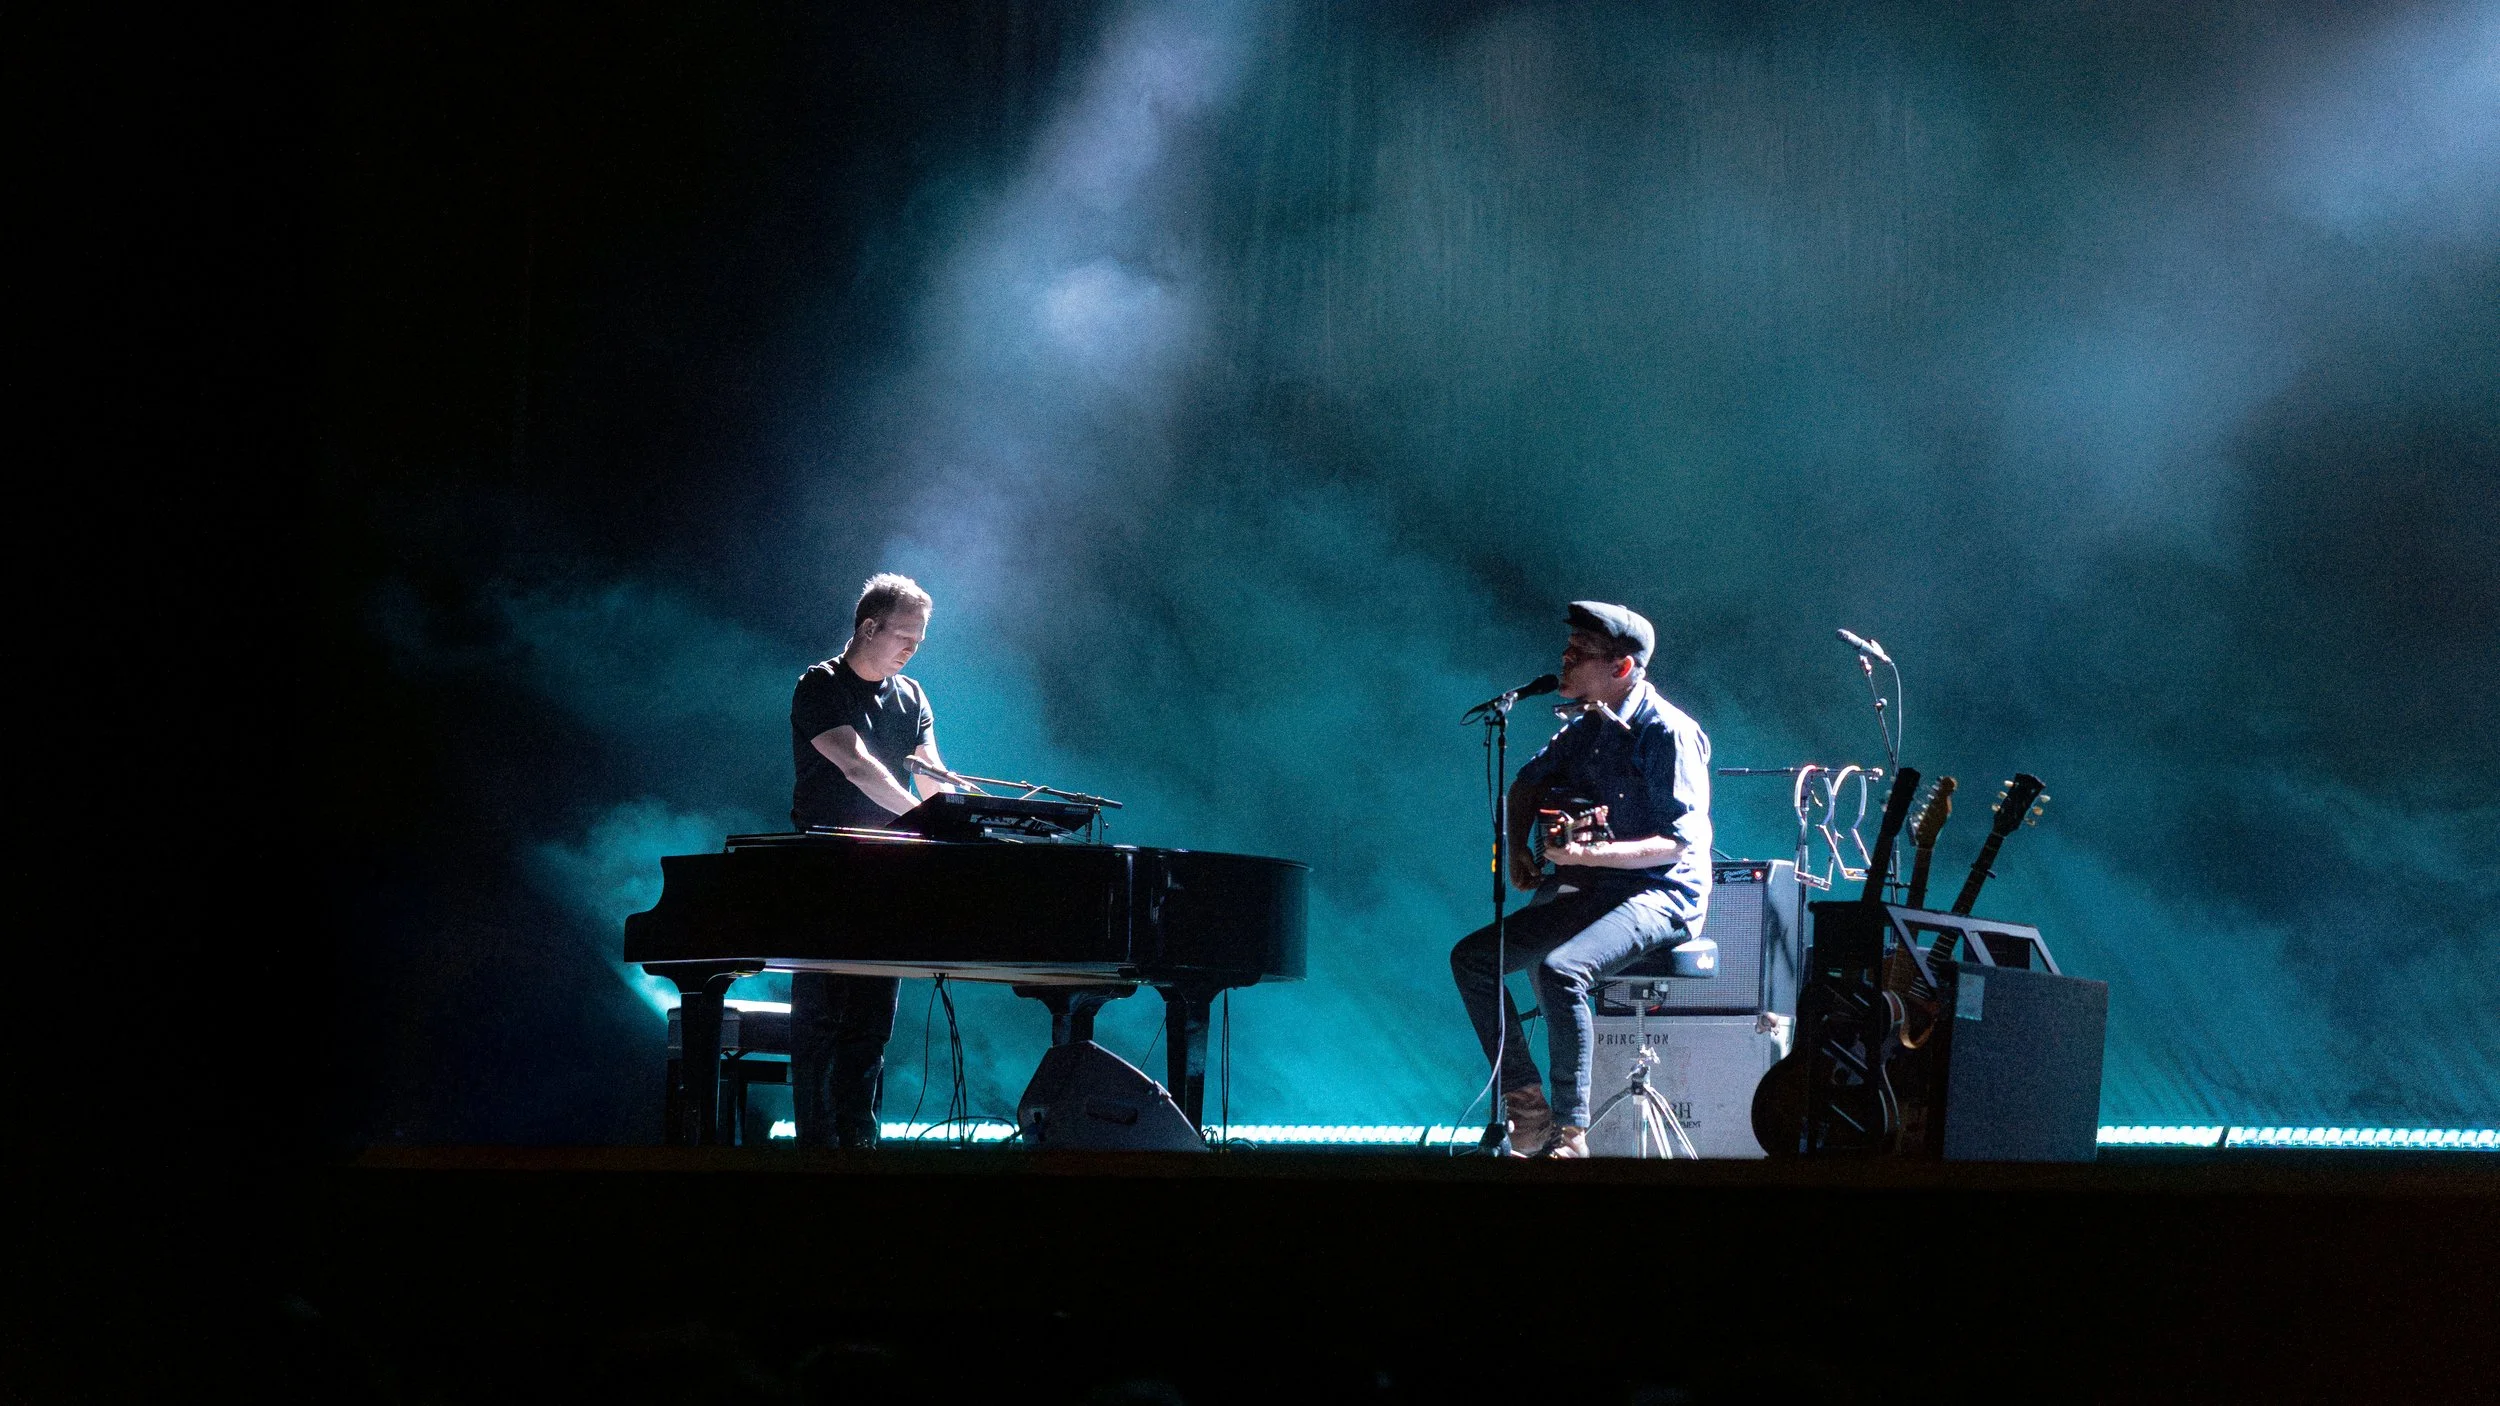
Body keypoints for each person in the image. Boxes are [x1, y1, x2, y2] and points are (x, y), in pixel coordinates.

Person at [1449, 601, 1713, 1158]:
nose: (1564, 662)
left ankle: (1572, 1135)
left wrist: (1591, 857)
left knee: (1560, 969)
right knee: (1473, 957)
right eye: (1566, 650)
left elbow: (1678, 842)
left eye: (1578, 654)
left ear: (1621, 667)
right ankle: (1526, 1107)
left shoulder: (1666, 731)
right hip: (1601, 890)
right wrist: (1515, 845)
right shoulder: (1589, 724)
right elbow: (1525, 783)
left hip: (1663, 894)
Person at [787, 572, 953, 1148]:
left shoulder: (913, 696)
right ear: (868, 627)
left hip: (886, 872)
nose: (913, 649)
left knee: (871, 1028)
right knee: (823, 1025)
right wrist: (920, 820)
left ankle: (860, 1149)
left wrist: (974, 815)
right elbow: (856, 765)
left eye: (920, 641)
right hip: (824, 871)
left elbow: (931, 775)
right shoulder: (819, 686)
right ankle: (815, 1152)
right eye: (905, 636)